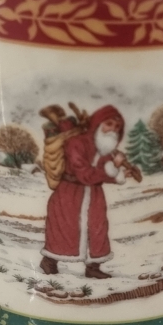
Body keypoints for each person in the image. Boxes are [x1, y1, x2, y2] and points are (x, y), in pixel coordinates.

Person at [39, 105, 133, 279]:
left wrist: (117, 174)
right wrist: (113, 169)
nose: (112, 130)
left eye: (117, 127)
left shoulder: (104, 148)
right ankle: (49, 261)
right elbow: (84, 174)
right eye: (109, 124)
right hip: (69, 194)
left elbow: (101, 172)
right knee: (64, 229)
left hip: (94, 195)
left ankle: (93, 266)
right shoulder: (76, 143)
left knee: (97, 228)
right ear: (97, 123)